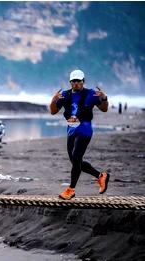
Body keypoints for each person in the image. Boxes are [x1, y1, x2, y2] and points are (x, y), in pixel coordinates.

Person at [49, 69, 110, 200]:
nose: (76, 83)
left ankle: (71, 189)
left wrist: (104, 98)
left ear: (83, 81)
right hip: (71, 131)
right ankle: (101, 176)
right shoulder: (65, 95)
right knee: (76, 161)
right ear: (70, 82)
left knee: (76, 157)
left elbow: (104, 109)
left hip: (85, 130)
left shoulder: (91, 94)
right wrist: (53, 100)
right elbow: (53, 112)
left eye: (79, 81)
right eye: (74, 81)